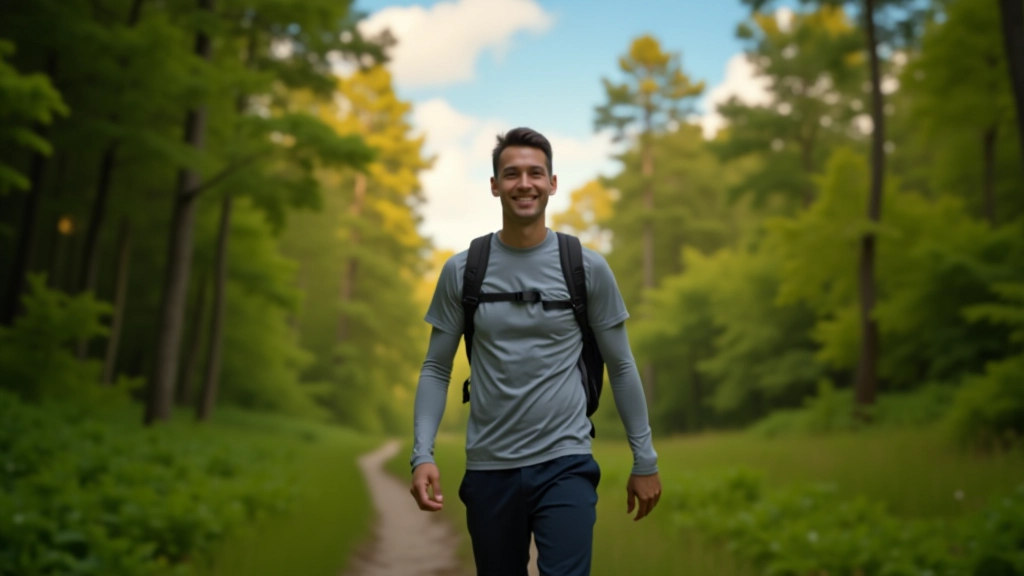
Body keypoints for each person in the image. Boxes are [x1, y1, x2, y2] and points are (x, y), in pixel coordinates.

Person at [408, 127, 661, 576]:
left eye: (535, 173)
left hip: (565, 464)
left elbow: (621, 367)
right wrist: (422, 454)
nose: (524, 183)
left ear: (552, 183)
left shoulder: (586, 267)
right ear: (494, 185)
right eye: (511, 174)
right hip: (490, 469)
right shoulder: (464, 271)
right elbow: (435, 368)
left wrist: (645, 460)